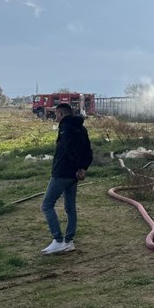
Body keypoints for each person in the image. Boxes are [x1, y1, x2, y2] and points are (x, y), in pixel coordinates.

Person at [41, 102, 92, 255]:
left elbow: (68, 150)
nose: (55, 117)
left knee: (47, 205)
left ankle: (57, 240)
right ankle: (69, 241)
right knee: (70, 207)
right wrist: (82, 168)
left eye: (56, 115)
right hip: (74, 175)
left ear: (62, 114)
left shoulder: (65, 128)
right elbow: (88, 150)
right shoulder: (81, 128)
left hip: (62, 173)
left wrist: (77, 167)